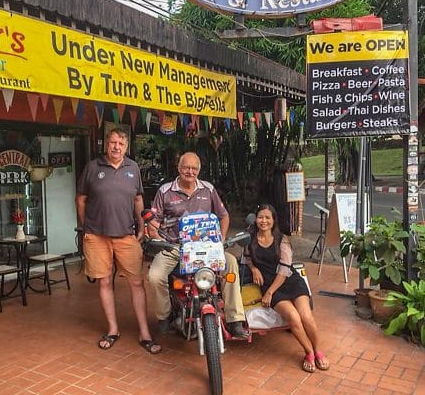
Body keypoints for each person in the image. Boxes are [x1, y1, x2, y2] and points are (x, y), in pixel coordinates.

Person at [76, 128, 161, 355]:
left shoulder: (133, 168)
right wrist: (86, 228)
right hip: (97, 236)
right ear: (106, 144)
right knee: (104, 282)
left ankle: (144, 333)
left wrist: (142, 226)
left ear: (126, 147)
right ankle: (113, 330)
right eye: (113, 142)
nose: (116, 147)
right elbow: (81, 199)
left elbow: (138, 199)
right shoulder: (92, 167)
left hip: (126, 235)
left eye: (120, 144)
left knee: (136, 282)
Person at [147, 152, 248, 338]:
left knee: (231, 263)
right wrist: (156, 236)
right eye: (186, 167)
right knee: (154, 276)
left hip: (207, 248)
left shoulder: (208, 189)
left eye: (194, 168)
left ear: (199, 171)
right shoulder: (165, 191)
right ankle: (165, 316)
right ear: (179, 168)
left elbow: (223, 215)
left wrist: (221, 240)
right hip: (175, 247)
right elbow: (154, 221)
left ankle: (235, 319)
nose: (190, 171)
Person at [246, 204, 329, 373]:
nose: (264, 221)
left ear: (273, 220)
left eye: (268, 218)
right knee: (293, 317)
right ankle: (309, 352)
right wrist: (254, 269)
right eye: (260, 217)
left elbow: (284, 270)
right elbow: (246, 259)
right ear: (255, 219)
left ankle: (318, 350)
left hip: (290, 281)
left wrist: (269, 293)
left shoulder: (282, 239)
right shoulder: (250, 239)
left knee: (306, 317)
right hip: (269, 285)